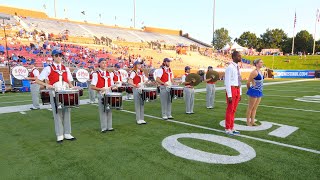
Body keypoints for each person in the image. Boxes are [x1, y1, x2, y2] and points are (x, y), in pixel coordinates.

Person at [35, 49, 76, 143]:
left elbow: (69, 81)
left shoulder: (65, 68)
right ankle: (60, 134)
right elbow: (37, 80)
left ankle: (67, 133)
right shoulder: (48, 68)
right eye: (56, 55)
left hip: (65, 91)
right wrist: (47, 85)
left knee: (67, 112)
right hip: (55, 92)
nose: (59, 57)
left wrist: (72, 87)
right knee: (57, 113)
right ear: (53, 57)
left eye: (60, 55)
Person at [90, 58, 115, 133]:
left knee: (109, 110)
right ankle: (104, 127)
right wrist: (101, 89)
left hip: (109, 93)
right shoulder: (95, 74)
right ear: (99, 64)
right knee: (103, 110)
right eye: (103, 63)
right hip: (101, 94)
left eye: (105, 63)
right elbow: (92, 86)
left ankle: (109, 126)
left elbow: (112, 85)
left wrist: (115, 86)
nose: (104, 64)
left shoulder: (109, 73)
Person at [224, 51, 242, 135]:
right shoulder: (230, 67)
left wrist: (240, 92)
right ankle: (228, 128)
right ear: (234, 57)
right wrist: (229, 95)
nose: (240, 57)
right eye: (238, 56)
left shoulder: (238, 67)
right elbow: (227, 82)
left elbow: (239, 80)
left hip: (237, 88)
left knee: (234, 110)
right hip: (232, 89)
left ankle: (232, 126)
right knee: (230, 109)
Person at [246, 59, 264, 126]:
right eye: (261, 62)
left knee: (255, 108)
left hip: (259, 91)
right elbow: (248, 82)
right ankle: (248, 122)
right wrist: (250, 90)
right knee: (250, 107)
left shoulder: (261, 72)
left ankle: (252, 121)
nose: (262, 63)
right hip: (254, 91)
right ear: (256, 64)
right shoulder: (254, 72)